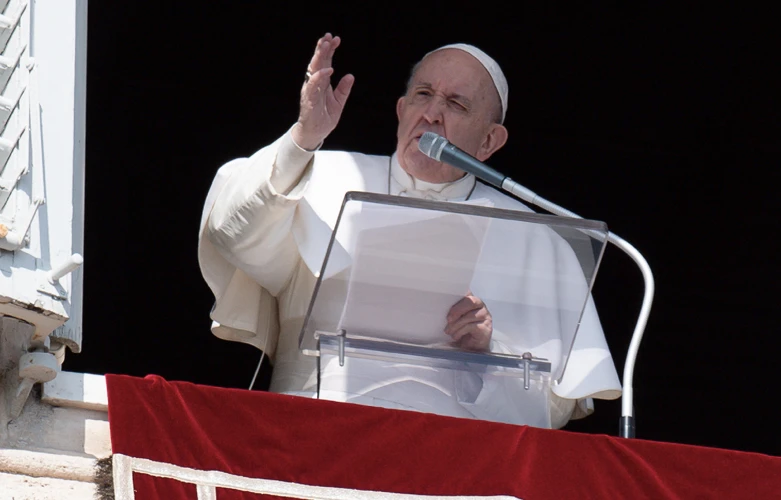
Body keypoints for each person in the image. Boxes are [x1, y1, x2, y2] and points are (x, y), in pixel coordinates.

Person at [199, 34, 621, 428]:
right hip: (312, 433)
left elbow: (556, 408)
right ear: (401, 110)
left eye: (456, 104)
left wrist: (484, 359)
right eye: (423, 95)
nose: (432, 113)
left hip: (452, 465)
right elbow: (231, 232)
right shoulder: (319, 175)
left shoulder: (533, 236)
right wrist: (304, 139)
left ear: (490, 141)